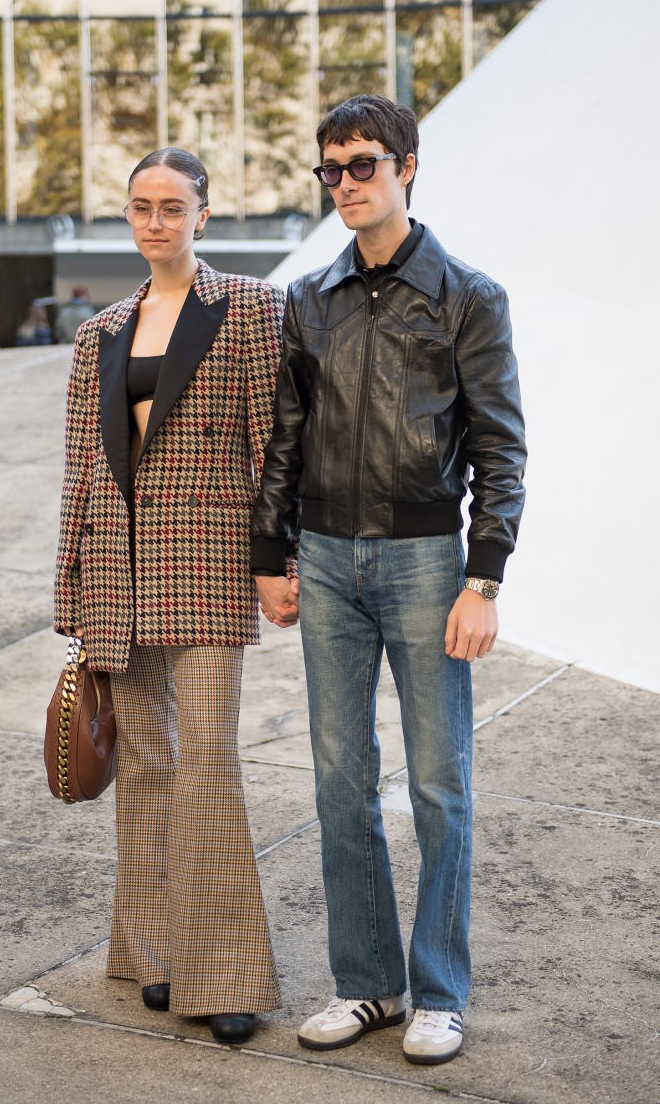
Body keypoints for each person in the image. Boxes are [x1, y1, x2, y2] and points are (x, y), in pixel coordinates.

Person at [251, 95, 526, 1065]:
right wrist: (268, 555)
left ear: (407, 166)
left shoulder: (465, 294)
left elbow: (500, 446)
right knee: (339, 781)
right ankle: (365, 982)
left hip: (421, 562)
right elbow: (287, 437)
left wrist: (480, 578)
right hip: (323, 562)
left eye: (361, 164)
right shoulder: (309, 297)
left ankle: (439, 991)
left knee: (439, 782)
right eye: (329, 170)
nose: (344, 185)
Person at [54, 147, 286, 1045]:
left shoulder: (252, 309)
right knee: (145, 761)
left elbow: (274, 450)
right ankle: (156, 952)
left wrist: (278, 560)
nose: (156, 221)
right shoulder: (99, 330)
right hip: (118, 569)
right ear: (129, 217)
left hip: (210, 563)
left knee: (209, 763)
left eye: (173, 206)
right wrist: (70, 584)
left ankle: (224, 970)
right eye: (141, 207)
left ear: (204, 216)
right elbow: (82, 469)